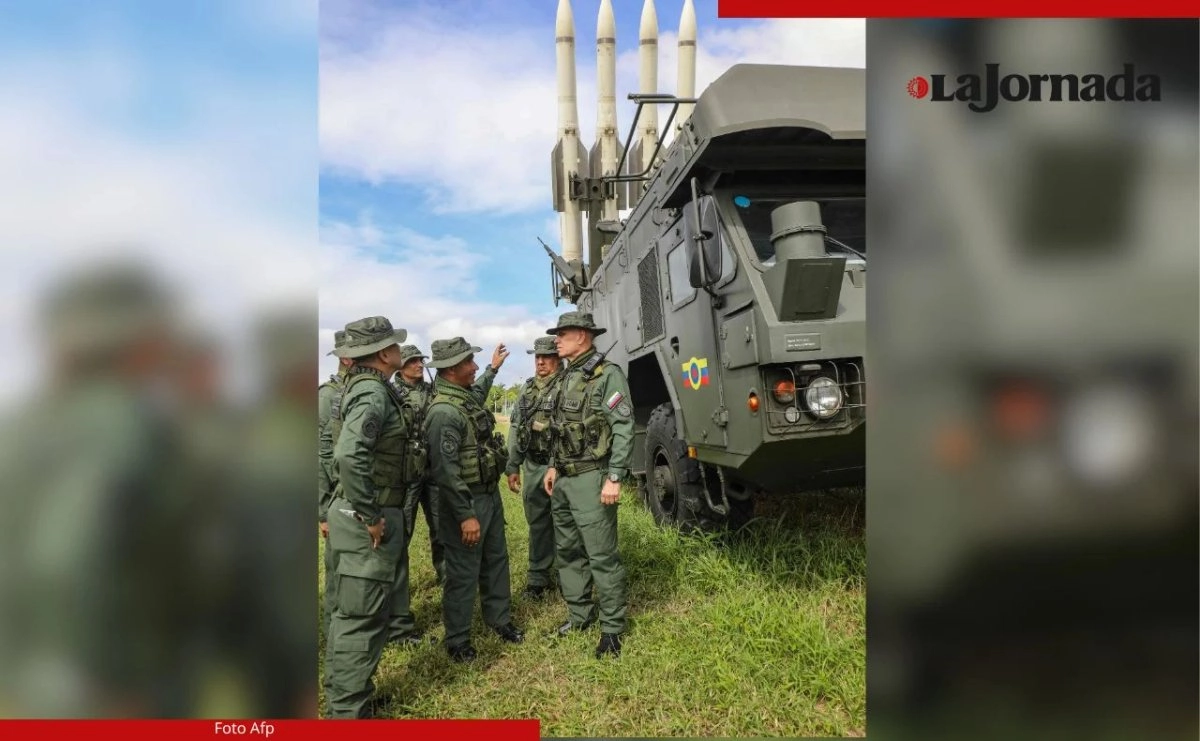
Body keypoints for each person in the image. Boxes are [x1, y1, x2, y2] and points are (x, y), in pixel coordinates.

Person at [324, 316, 427, 718]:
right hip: (365, 515)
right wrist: (370, 515)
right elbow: (349, 455)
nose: (402, 351)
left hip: (347, 511)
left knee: (345, 613)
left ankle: (346, 698)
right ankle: (348, 714)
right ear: (384, 354)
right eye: (396, 346)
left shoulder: (359, 387)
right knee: (361, 619)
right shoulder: (373, 393)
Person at [423, 337, 523, 662]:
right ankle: (457, 640)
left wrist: (494, 369)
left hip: (488, 495)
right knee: (463, 571)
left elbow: (477, 394)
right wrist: (466, 515)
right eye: (470, 362)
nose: (475, 367)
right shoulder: (442, 413)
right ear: (452, 369)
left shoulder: (463, 398)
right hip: (465, 502)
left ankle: (499, 620)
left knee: (496, 559)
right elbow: (446, 473)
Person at [541, 311, 634, 659]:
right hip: (564, 479)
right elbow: (560, 426)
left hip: (593, 478)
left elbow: (623, 426)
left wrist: (614, 477)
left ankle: (612, 629)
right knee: (567, 552)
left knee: (601, 556)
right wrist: (553, 466)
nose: (556, 340)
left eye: (562, 334)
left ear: (582, 335)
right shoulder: (567, 377)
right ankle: (580, 615)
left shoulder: (606, 376)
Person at [504, 335, 564, 600]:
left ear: (557, 358)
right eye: (537, 357)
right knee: (538, 523)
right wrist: (512, 465)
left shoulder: (567, 385)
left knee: (564, 522)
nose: (540, 361)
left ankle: (568, 576)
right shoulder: (527, 390)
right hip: (533, 465)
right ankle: (538, 577)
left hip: (561, 466)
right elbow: (516, 428)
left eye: (546, 356)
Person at [393, 344, 445, 587]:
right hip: (407, 474)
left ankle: (446, 577)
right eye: (413, 361)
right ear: (401, 366)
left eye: (420, 360)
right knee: (402, 529)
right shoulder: (391, 393)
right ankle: (397, 585)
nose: (419, 365)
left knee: (441, 527)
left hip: (433, 470)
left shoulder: (433, 390)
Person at [319, 330, 353, 642]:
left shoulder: (359, 390)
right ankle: (334, 636)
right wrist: (322, 511)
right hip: (338, 501)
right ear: (346, 356)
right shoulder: (328, 395)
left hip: (356, 501)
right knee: (338, 575)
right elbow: (320, 454)